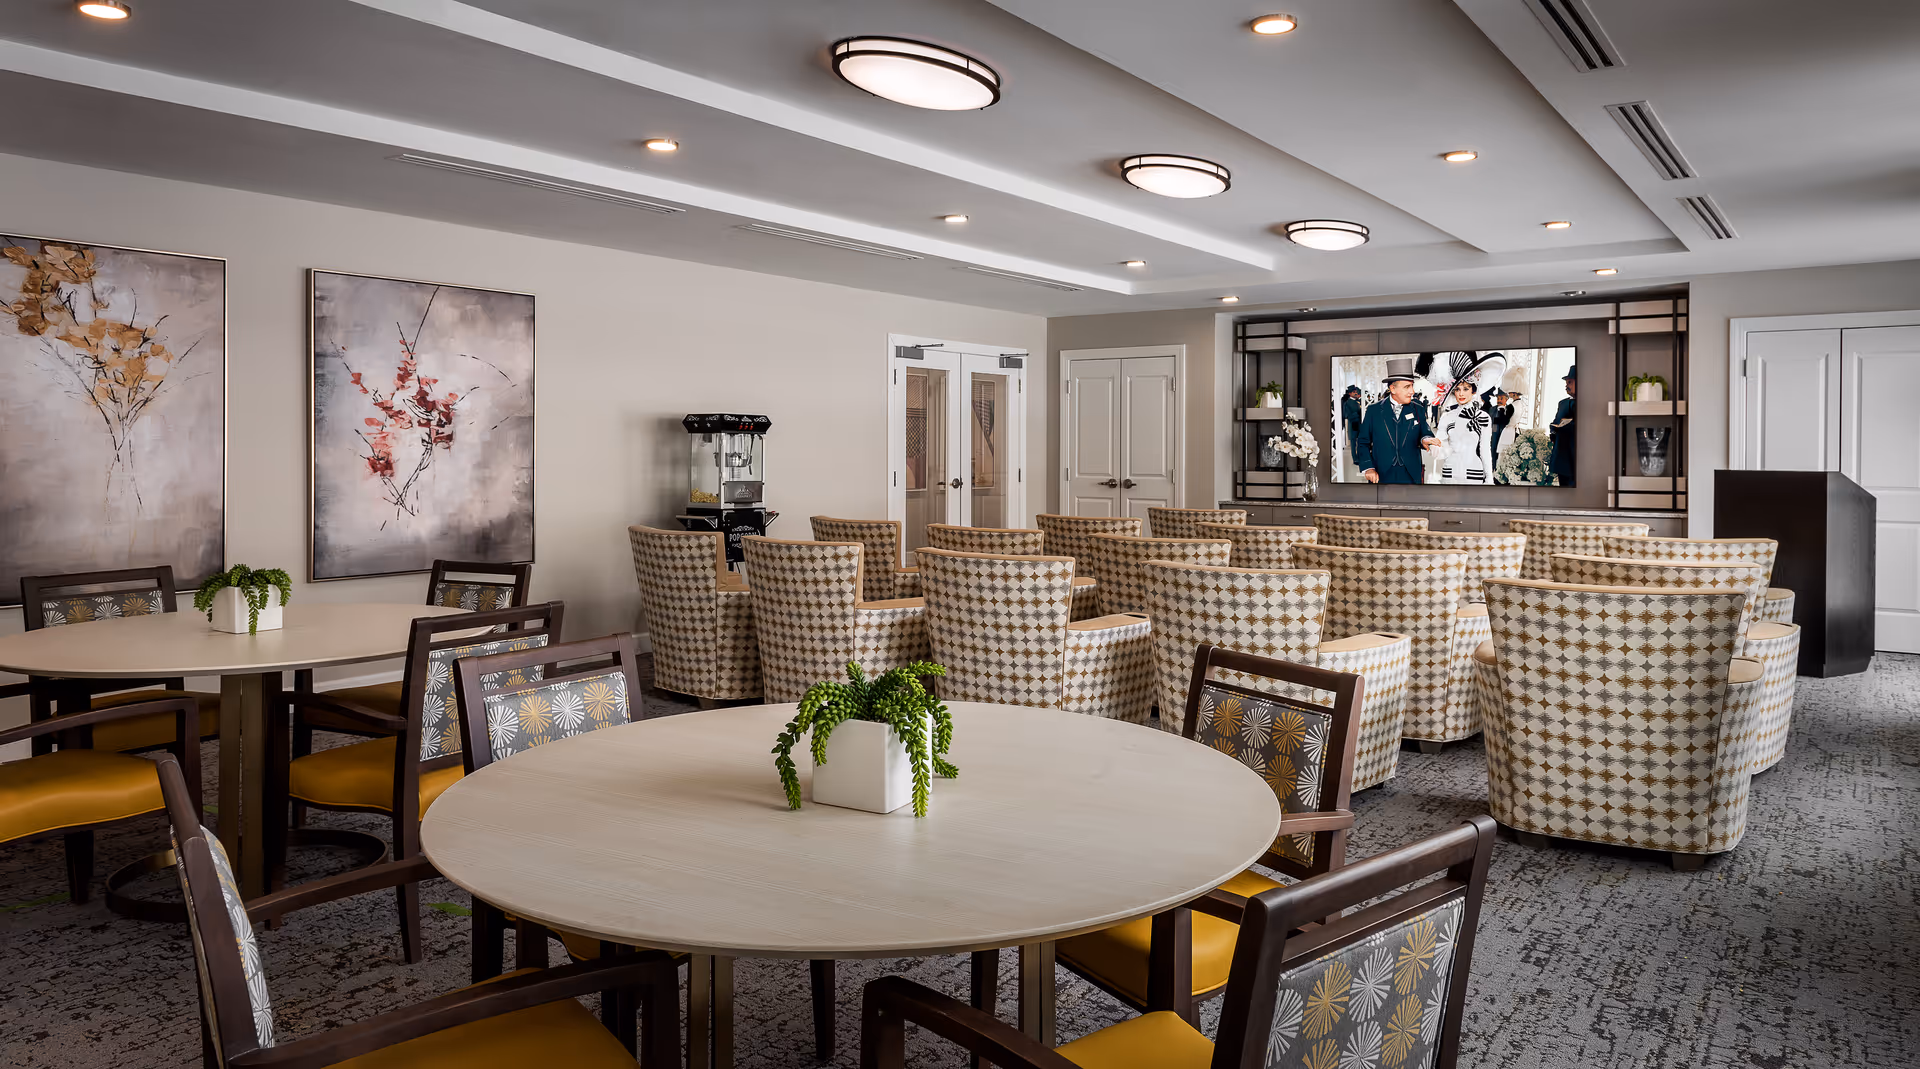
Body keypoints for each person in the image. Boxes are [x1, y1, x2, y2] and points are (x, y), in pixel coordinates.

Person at [1352, 357, 1442, 484]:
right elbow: (1363, 442)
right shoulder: (1374, 410)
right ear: (1392, 389)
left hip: (1411, 473)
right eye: (1407, 387)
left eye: (1412, 386)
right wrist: (1368, 468)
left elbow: (1425, 431)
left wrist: (1426, 439)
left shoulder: (1418, 409)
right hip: (1381, 473)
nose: (1412, 391)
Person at [1437, 379, 1493, 483]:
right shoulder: (1446, 417)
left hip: (1474, 471)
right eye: (1457, 389)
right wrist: (1434, 447)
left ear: (1473, 391)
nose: (1461, 393)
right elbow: (1440, 449)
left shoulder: (1483, 417)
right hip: (1450, 471)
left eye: (1466, 389)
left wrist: (1489, 478)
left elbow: (1485, 450)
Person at [1548, 365, 1577, 486]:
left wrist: (1568, 425)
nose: (1567, 385)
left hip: (1575, 457)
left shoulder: (1587, 402)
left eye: (1570, 382)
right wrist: (1554, 429)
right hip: (1561, 456)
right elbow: (1555, 422)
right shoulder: (1562, 403)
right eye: (1566, 383)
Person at [1339, 385, 1363, 479]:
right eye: (1354, 392)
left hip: (1359, 424)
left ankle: (1360, 457)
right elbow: (1347, 414)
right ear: (1350, 393)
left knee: (1360, 441)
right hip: (1353, 424)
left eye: (1356, 391)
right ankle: (1355, 459)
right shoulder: (1347, 403)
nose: (1356, 393)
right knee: (1353, 442)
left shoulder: (1358, 401)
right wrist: (1357, 415)